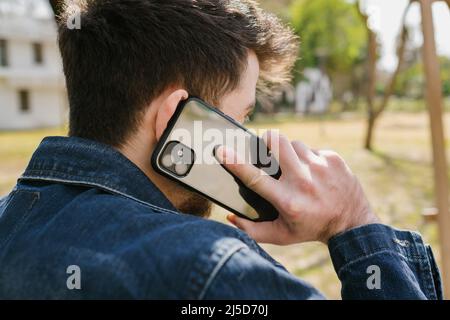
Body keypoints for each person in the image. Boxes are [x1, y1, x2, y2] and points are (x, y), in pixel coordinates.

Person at [0, 0, 442, 299]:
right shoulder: (216, 269)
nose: (249, 137)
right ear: (175, 117)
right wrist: (354, 222)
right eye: (242, 118)